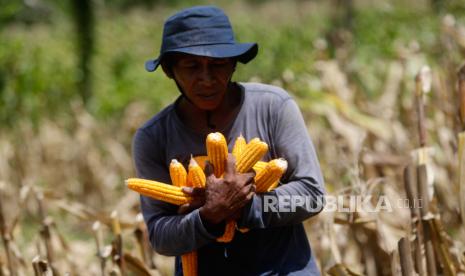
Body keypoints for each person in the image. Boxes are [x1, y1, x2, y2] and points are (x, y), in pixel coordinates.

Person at [133, 5, 325, 276]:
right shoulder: (153, 137)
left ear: (234, 64)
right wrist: (209, 215)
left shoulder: (274, 107)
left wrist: (246, 205)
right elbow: (161, 236)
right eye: (191, 66)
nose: (207, 79)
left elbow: (311, 195)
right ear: (168, 70)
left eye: (218, 65)